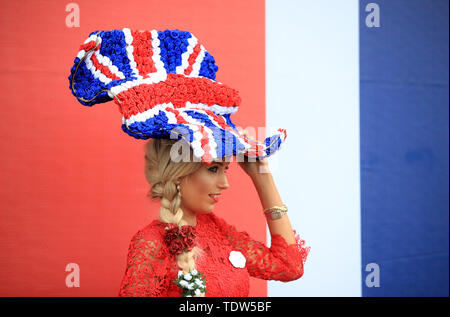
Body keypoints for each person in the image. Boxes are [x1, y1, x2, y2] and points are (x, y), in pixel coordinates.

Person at [68, 28, 310, 297]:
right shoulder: (150, 245)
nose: (226, 183)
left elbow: (289, 266)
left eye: (225, 169)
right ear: (179, 173)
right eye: (214, 169)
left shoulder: (220, 233)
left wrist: (261, 175)